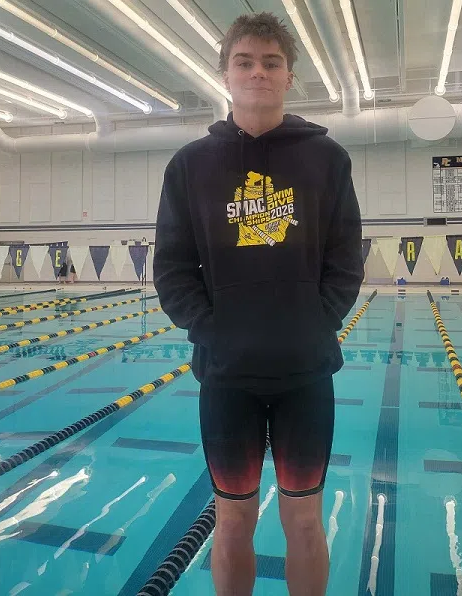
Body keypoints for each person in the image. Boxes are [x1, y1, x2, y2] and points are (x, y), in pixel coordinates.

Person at [153, 12, 363, 596]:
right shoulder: (190, 166)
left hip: (305, 374)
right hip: (227, 377)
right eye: (244, 62)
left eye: (272, 62)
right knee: (231, 522)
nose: (258, 72)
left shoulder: (327, 160)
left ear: (289, 76)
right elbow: (172, 268)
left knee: (305, 521)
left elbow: (346, 260)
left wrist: (313, 323)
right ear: (225, 74)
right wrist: (212, 330)